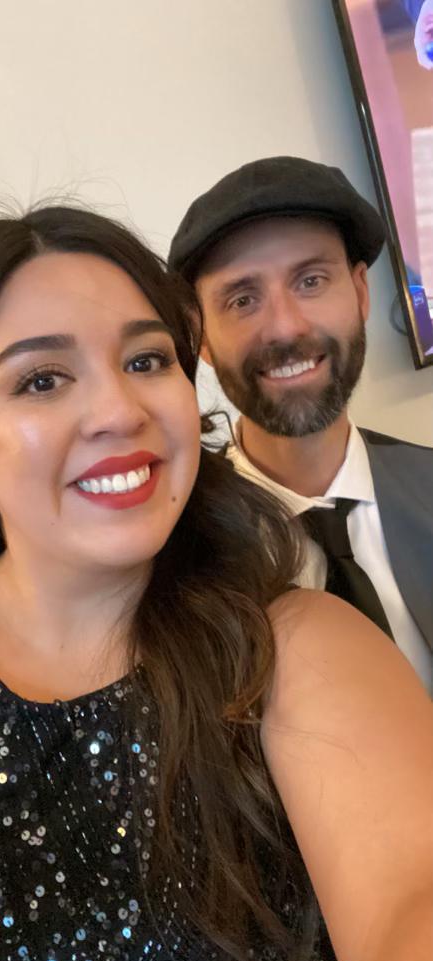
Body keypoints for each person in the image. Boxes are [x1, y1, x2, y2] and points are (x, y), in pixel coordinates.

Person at [0, 206, 430, 961]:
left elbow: (410, 900)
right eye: (41, 379)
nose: (119, 412)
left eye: (146, 360)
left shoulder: (295, 647)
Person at [169, 155, 433, 691]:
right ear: (201, 336)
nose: (285, 328)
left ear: (360, 292)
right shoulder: (176, 550)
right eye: (243, 299)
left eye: (311, 281)